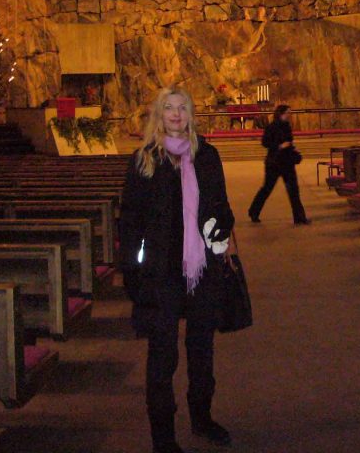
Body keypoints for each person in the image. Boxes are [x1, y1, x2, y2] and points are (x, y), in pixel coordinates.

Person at [119, 87, 235, 453]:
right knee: (162, 358)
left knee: (202, 351)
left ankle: (202, 418)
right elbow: (131, 222)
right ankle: (163, 438)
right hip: (161, 273)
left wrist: (221, 224)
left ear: (190, 113)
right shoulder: (144, 160)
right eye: (168, 108)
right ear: (159, 114)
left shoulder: (208, 156)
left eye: (181, 107)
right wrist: (133, 274)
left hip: (201, 271)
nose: (175, 114)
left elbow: (223, 207)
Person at [248, 104, 310, 225]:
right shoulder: (271, 127)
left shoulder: (287, 126)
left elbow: (289, 141)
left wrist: (292, 149)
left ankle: (299, 217)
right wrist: (279, 146)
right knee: (267, 188)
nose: (290, 115)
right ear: (281, 113)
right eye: (288, 113)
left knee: (293, 190)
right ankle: (253, 211)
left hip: (287, 162)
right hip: (274, 162)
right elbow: (265, 142)